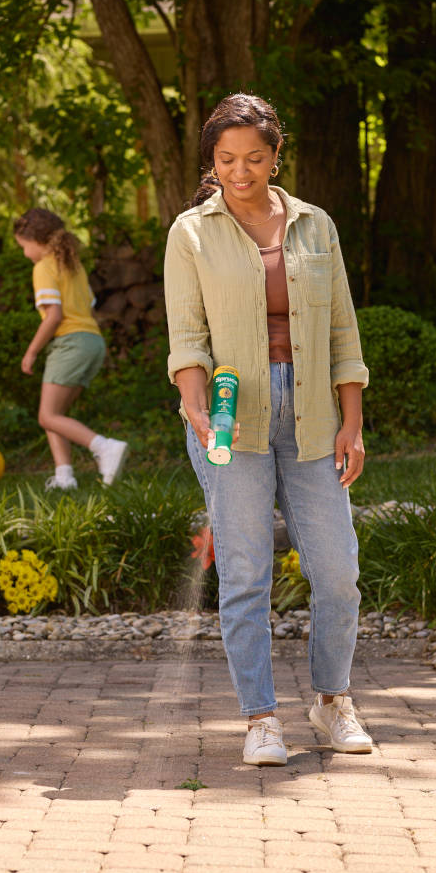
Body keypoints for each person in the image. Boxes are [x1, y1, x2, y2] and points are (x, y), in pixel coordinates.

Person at [164, 93, 372, 766]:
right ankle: (260, 718)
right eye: (227, 160)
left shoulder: (316, 226)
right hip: (232, 416)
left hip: (312, 413)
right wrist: (197, 408)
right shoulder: (191, 234)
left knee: (338, 572)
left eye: (254, 158)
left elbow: (343, 330)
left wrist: (353, 421)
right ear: (212, 162)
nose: (241, 171)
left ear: (276, 155)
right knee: (247, 574)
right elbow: (188, 340)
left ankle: (332, 700)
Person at [13, 208, 128, 489]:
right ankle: (64, 477)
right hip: (92, 341)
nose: (25, 253)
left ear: (36, 241)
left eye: (24, 246)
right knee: (54, 415)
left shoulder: (43, 267)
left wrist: (31, 352)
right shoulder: (72, 265)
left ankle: (104, 447)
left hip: (70, 342)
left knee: (47, 415)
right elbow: (88, 305)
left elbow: (53, 316)